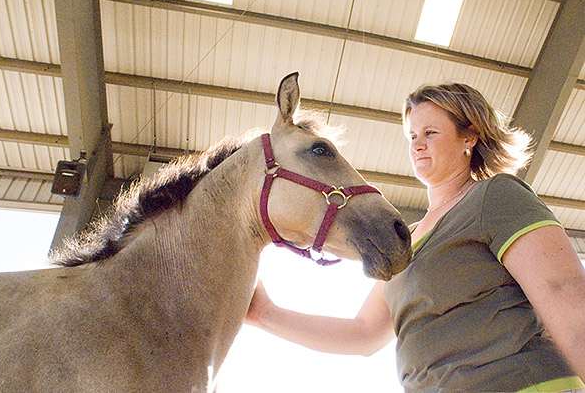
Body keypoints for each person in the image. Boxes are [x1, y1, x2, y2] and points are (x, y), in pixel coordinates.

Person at [245, 82, 585, 392]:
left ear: (469, 137)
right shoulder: (406, 240)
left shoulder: (495, 196)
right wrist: (265, 313)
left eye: (430, 132)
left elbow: (564, 294)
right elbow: (363, 333)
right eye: (411, 136)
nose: (417, 145)